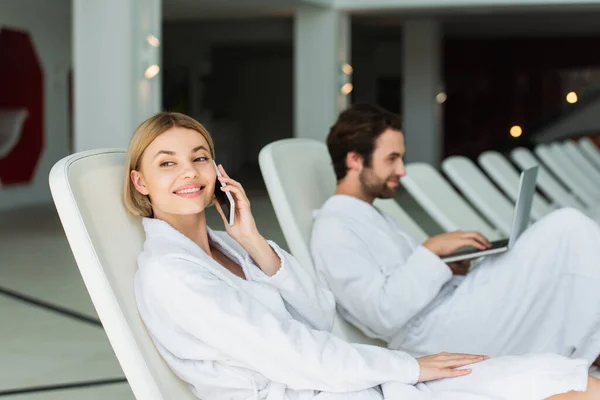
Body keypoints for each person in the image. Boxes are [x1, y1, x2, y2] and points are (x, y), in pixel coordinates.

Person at [125, 111, 598, 400]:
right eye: (167, 163)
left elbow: (319, 315)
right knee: (537, 379)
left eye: (200, 156)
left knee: (545, 374)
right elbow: (297, 353)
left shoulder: (228, 245)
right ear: (141, 182)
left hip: (345, 376)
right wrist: (411, 366)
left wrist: (254, 242)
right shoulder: (172, 273)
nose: (190, 172)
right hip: (322, 388)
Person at [310, 104, 600, 369]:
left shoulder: (368, 214)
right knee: (566, 227)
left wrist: (446, 265)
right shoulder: (334, 230)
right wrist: (430, 252)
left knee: (558, 253)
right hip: (437, 334)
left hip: (454, 305)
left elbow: (408, 279)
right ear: (355, 160)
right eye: (392, 158)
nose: (401, 170)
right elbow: (381, 314)